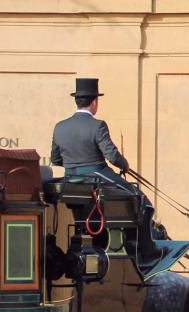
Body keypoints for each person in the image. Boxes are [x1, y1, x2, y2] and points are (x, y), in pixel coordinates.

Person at [50, 78, 162, 261]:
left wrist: (75, 166)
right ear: (94, 102)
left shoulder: (60, 126)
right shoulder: (97, 125)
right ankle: (148, 249)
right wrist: (124, 165)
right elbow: (112, 156)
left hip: (69, 179)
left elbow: (55, 159)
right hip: (97, 176)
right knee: (144, 202)